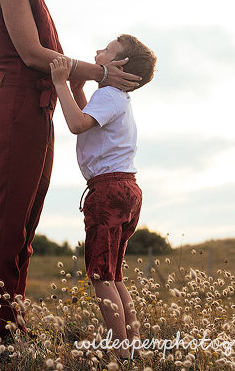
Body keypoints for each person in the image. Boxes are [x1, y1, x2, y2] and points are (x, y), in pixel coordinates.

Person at [0, 0, 141, 340]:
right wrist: (102, 73)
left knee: (25, 225)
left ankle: (14, 324)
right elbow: (33, 55)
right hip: (15, 108)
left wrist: (93, 91)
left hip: (37, 111)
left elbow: (60, 67)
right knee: (9, 224)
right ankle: (2, 333)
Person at [49, 34, 156, 358]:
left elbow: (78, 123)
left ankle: (123, 355)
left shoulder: (110, 95)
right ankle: (133, 349)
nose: (98, 51)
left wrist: (60, 83)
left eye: (107, 50)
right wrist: (78, 85)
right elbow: (90, 118)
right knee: (114, 276)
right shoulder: (114, 99)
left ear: (119, 64)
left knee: (100, 276)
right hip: (127, 188)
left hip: (108, 192)